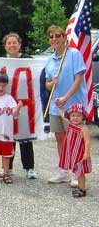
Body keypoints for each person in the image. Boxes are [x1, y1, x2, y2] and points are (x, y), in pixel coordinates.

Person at [44, 25, 88, 186]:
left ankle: (77, 173)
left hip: (73, 104)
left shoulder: (74, 54)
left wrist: (66, 97)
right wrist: (50, 83)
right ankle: (63, 170)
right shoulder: (49, 59)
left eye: (57, 36)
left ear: (64, 37)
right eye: (51, 36)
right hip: (56, 105)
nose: (54, 39)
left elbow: (78, 79)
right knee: (60, 137)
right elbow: (47, 83)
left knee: (75, 138)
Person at [2, 33, 37, 179]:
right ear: (5, 46)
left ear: (19, 44)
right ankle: (8, 167)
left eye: (14, 43)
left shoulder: (28, 60)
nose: (12, 45)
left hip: (25, 104)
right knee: (9, 136)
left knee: (25, 136)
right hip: (8, 103)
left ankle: (29, 167)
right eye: (8, 43)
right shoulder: (0, 62)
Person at [56, 103, 91, 197]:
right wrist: (60, 107)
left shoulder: (83, 128)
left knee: (80, 171)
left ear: (83, 116)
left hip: (80, 153)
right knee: (76, 171)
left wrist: (86, 153)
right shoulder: (70, 124)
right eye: (73, 115)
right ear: (70, 116)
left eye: (78, 116)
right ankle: (80, 186)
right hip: (72, 152)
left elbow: (87, 141)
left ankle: (82, 189)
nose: (75, 118)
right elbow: (63, 116)